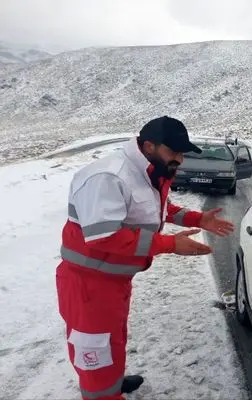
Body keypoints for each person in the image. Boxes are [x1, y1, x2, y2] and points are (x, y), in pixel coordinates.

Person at [55, 116, 235, 400]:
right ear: (149, 145)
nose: (179, 160)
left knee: (112, 341)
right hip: (87, 286)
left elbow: (155, 209)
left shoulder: (147, 172)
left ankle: (111, 382)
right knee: (95, 351)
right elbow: (106, 236)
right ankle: (103, 394)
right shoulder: (109, 177)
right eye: (173, 152)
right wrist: (171, 245)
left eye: (182, 153)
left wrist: (197, 218)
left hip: (112, 281)